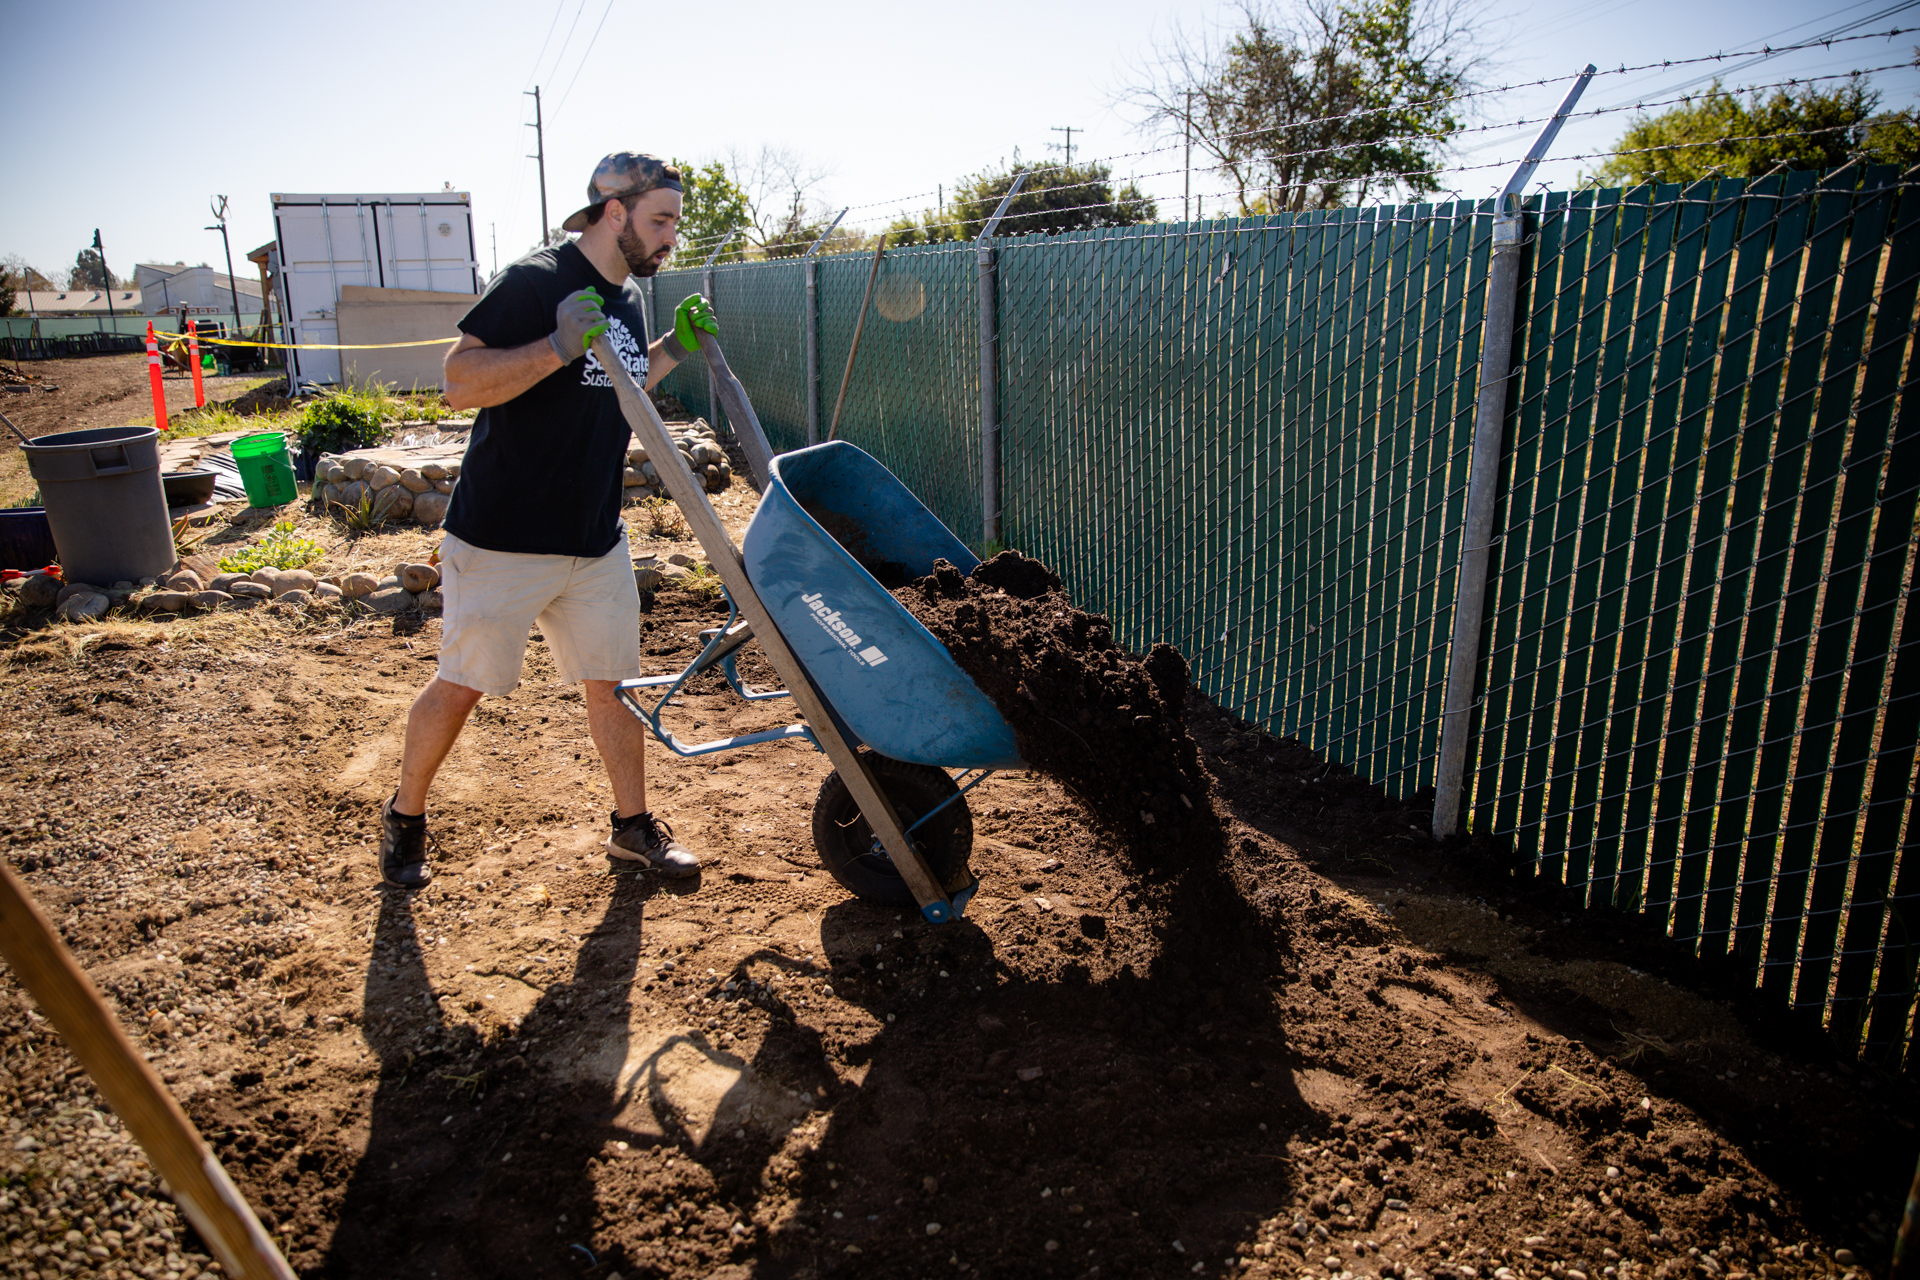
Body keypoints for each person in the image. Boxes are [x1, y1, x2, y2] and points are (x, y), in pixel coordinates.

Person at [377, 151, 721, 890]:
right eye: (660, 220)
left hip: (594, 537)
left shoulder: (626, 299)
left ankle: (632, 830)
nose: (669, 238)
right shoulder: (536, 281)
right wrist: (555, 343)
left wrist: (670, 350)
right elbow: (459, 381)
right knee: (463, 683)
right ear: (615, 210)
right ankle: (405, 816)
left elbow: (612, 380)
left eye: (674, 224)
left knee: (613, 684)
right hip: (504, 536)